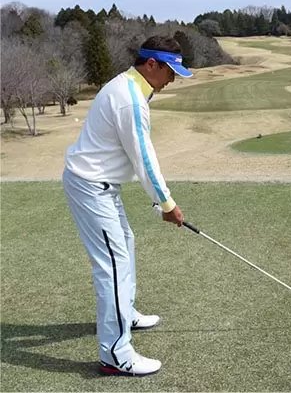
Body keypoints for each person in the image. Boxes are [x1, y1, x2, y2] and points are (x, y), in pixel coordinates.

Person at [62, 35, 193, 377]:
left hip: (101, 184)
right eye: (170, 72)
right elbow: (144, 159)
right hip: (91, 186)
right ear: (151, 64)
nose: (172, 80)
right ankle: (115, 355)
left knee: (126, 245)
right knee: (113, 266)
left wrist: (162, 201)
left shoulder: (129, 87)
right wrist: (168, 204)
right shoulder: (130, 100)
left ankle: (125, 313)